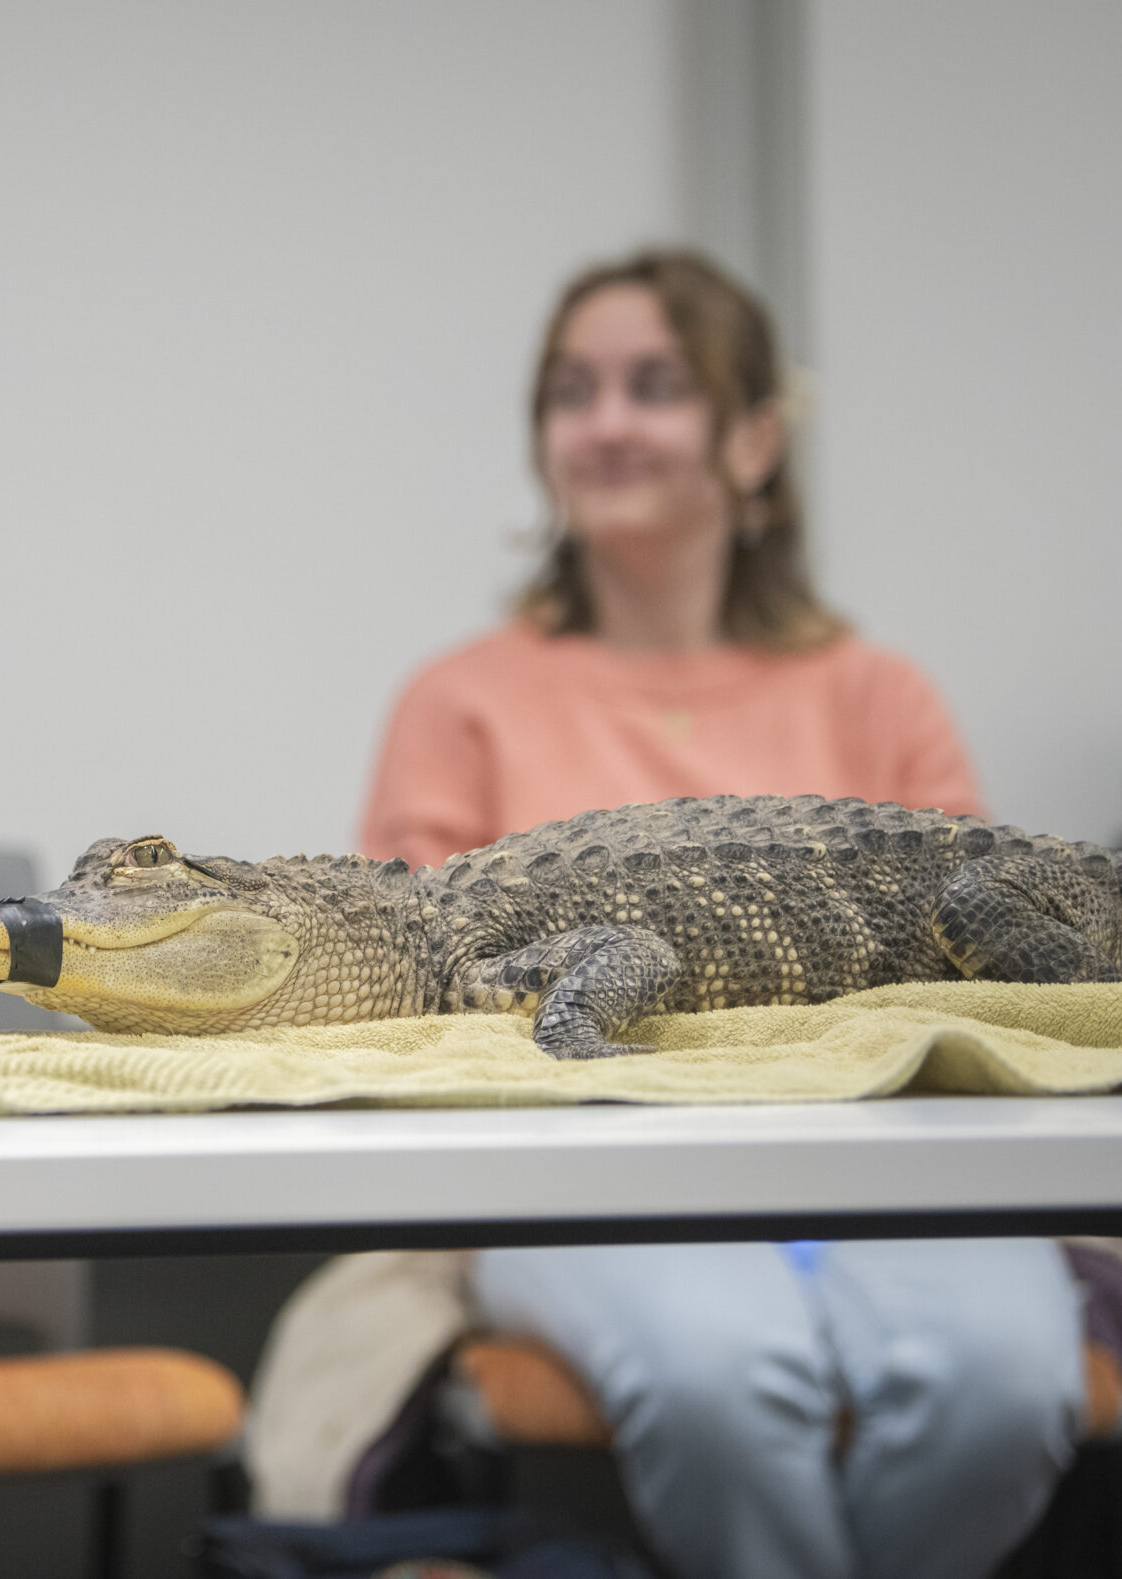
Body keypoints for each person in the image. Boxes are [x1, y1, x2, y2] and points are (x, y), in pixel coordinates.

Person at [357, 250, 1085, 1579]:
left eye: (657, 385)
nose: (607, 422)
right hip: (581, 1174)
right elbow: (426, 1011)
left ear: (754, 440)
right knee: (721, 1378)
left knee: (999, 1377)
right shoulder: (457, 701)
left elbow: (989, 999)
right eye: (572, 390)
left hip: (889, 1164)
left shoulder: (882, 692)